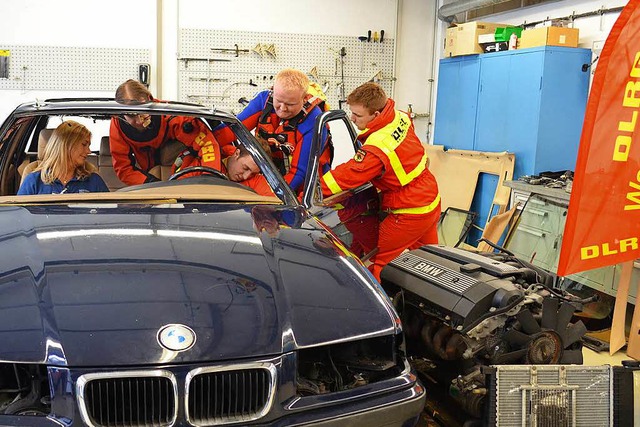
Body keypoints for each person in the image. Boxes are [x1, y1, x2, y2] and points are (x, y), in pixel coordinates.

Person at [320, 82, 441, 282]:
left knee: (381, 266)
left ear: (376, 115)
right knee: (430, 263)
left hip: (408, 210)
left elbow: (348, 175)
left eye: (357, 115)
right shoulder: (400, 116)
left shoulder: (378, 148)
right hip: (429, 199)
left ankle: (384, 313)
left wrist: (313, 191)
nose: (352, 118)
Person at [213, 69, 332, 193]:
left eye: (290, 104)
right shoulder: (264, 101)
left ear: (305, 99)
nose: (282, 109)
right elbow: (229, 130)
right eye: (279, 101)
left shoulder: (313, 121)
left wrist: (273, 199)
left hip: (303, 187)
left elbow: (300, 172)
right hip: (268, 174)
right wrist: (199, 145)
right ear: (273, 91)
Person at [109, 79, 222, 186]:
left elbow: (207, 144)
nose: (139, 121)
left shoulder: (168, 113)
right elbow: (123, 168)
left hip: (178, 169)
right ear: (120, 113)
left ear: (149, 99)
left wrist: (210, 179)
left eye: (143, 111)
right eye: (131, 115)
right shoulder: (117, 125)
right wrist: (150, 184)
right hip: (145, 177)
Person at [18, 121, 108, 195]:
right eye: (84, 144)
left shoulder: (94, 181)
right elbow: (20, 215)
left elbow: (109, 215)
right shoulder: (33, 181)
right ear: (66, 146)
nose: (88, 151)